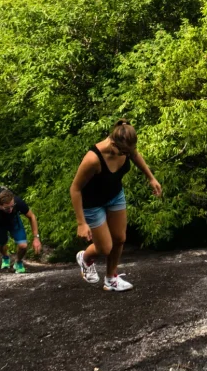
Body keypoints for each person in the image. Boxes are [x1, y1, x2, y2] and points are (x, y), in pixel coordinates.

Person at [69, 120, 161, 293]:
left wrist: (151, 177)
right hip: (92, 204)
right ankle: (85, 257)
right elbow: (75, 189)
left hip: (115, 196)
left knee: (119, 238)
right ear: (112, 143)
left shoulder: (126, 147)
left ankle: (111, 279)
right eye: (124, 151)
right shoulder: (93, 159)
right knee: (105, 247)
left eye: (128, 151)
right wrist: (81, 223)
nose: (126, 155)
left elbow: (135, 155)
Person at [0, 189, 42, 274]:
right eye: (7, 208)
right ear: (0, 205)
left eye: (12, 206)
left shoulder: (17, 202)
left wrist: (36, 238)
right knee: (1, 244)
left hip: (13, 221)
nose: (10, 210)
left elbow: (32, 216)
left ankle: (18, 262)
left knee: (23, 245)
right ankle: (5, 257)